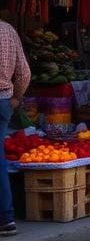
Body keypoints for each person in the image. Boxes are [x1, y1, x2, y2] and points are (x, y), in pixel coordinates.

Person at [0, 19, 30, 236]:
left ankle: (6, 217)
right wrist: (16, 98)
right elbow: (24, 73)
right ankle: (6, 218)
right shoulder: (8, 30)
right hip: (4, 101)